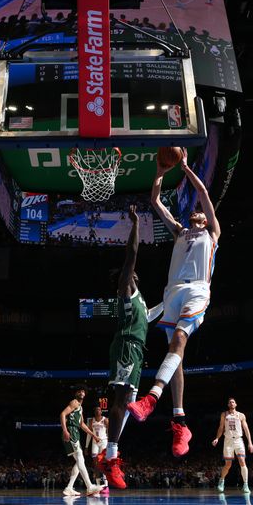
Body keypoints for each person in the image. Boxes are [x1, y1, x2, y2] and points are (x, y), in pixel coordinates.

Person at [128, 148, 220, 457]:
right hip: (172, 292)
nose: (197, 212)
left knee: (180, 339)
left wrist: (185, 168)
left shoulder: (212, 233)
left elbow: (204, 192)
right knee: (174, 354)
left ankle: (152, 397)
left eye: (202, 212)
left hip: (197, 290)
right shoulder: (180, 231)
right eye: (194, 211)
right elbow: (155, 202)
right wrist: (158, 172)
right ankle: (180, 421)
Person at [100, 206, 163, 488]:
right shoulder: (125, 288)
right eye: (131, 273)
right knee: (122, 401)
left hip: (136, 350)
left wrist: (176, 297)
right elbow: (132, 254)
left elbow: (151, 317)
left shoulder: (141, 303)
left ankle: (109, 453)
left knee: (128, 406)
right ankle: (111, 456)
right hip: (126, 347)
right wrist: (136, 224)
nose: (135, 274)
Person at [61, 386, 102, 496]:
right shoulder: (74, 402)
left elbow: (82, 424)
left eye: (83, 391)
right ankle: (89, 486)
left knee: (80, 461)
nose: (82, 392)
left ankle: (69, 488)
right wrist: (65, 430)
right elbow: (63, 414)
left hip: (75, 432)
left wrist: (93, 435)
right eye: (79, 391)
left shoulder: (80, 407)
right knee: (80, 457)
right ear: (76, 394)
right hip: (70, 430)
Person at [211, 397, 253, 493]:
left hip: (239, 440)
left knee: (242, 461)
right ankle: (222, 480)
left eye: (233, 402)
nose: (231, 403)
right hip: (228, 441)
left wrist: (250, 442)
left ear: (236, 404)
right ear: (228, 405)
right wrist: (217, 438)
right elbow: (221, 428)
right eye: (230, 402)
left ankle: (245, 485)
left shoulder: (241, 415)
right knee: (228, 464)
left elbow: (246, 429)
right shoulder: (224, 414)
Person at [86, 406, 109, 491]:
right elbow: (89, 434)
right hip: (94, 443)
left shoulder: (105, 420)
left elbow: (109, 433)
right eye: (96, 410)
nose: (98, 411)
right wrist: (86, 446)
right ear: (94, 412)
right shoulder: (91, 421)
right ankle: (98, 484)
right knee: (95, 464)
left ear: (101, 412)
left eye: (99, 409)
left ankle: (106, 485)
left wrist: (110, 444)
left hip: (103, 442)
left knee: (103, 463)